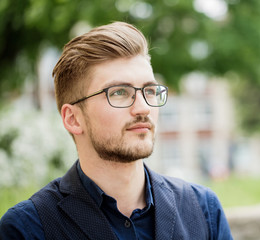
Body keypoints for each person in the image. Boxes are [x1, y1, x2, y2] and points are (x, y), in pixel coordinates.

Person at [0, 21, 233, 240]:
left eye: (150, 91)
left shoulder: (204, 210)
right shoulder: (27, 229)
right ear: (73, 119)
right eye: (119, 92)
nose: (143, 108)